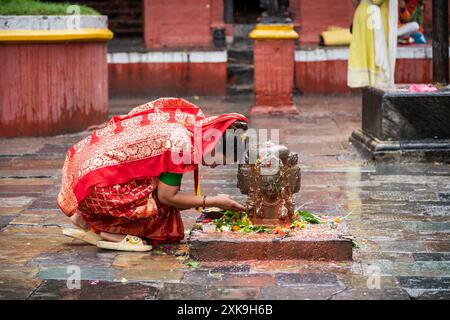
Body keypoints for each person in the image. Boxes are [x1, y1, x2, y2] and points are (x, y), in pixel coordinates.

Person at [57, 98, 247, 251]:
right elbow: (167, 197)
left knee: (165, 197)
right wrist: (214, 201)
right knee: (162, 206)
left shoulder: (190, 123)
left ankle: (85, 217)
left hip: (86, 172)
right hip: (97, 186)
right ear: (213, 144)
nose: (215, 167)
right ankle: (108, 232)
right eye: (220, 161)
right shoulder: (182, 145)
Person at [348, 0, 398, 88]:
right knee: (376, 62)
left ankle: (370, 96)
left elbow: (355, 2)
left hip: (362, 13)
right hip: (373, 18)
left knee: (366, 59)